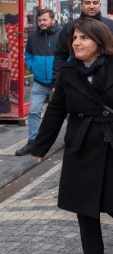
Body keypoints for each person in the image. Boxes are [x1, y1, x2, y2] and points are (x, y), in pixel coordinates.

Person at [31, 18, 113, 254]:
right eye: (74, 38)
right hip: (82, 142)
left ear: (99, 41)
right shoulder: (68, 70)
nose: (77, 42)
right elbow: (55, 110)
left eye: (83, 38)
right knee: (83, 202)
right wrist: (40, 146)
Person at [52, 0, 113, 85]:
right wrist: (56, 82)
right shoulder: (70, 27)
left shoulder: (112, 25)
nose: (92, 6)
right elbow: (60, 55)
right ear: (81, 5)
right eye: (87, 3)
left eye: (95, 3)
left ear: (100, 5)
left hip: (110, 78)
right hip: (79, 78)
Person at [16, 9, 62, 157]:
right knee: (34, 111)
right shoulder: (33, 36)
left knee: (68, 112)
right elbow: (27, 54)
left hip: (59, 84)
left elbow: (69, 56)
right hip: (40, 83)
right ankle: (32, 141)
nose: (42, 23)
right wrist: (32, 67)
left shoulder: (62, 35)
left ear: (53, 20)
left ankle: (75, 140)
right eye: (40, 20)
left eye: (45, 20)